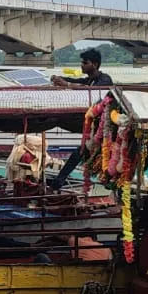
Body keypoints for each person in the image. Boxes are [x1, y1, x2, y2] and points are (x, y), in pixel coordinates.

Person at [49, 49, 114, 191]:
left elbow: (89, 89)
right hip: (94, 129)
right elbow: (78, 82)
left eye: (85, 63)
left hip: (107, 130)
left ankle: (58, 182)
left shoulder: (104, 80)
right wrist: (61, 79)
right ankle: (58, 182)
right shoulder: (90, 80)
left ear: (95, 64)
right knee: (79, 153)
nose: (82, 65)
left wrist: (66, 85)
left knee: (87, 154)